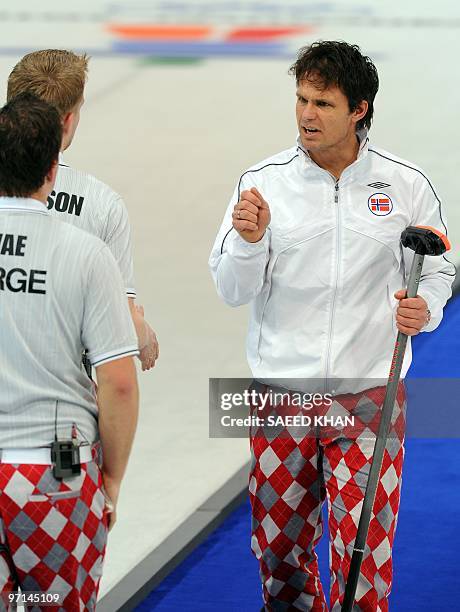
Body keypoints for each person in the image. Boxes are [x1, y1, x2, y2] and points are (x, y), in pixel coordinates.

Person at [209, 41, 455, 611]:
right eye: (300, 99)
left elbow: (438, 268)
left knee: (364, 557)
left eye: (322, 102)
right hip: (280, 400)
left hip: (369, 395)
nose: (305, 115)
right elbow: (230, 288)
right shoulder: (262, 183)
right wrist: (248, 244)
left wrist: (428, 308)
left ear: (360, 109)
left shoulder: (406, 185)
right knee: (279, 556)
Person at [0, 93, 139, 611]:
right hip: (51, 478)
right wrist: (113, 479)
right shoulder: (85, 254)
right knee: (51, 605)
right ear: (55, 166)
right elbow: (119, 383)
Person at [7, 49, 159, 372]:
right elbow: (120, 326)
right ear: (68, 120)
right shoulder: (100, 203)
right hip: (65, 400)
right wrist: (144, 335)